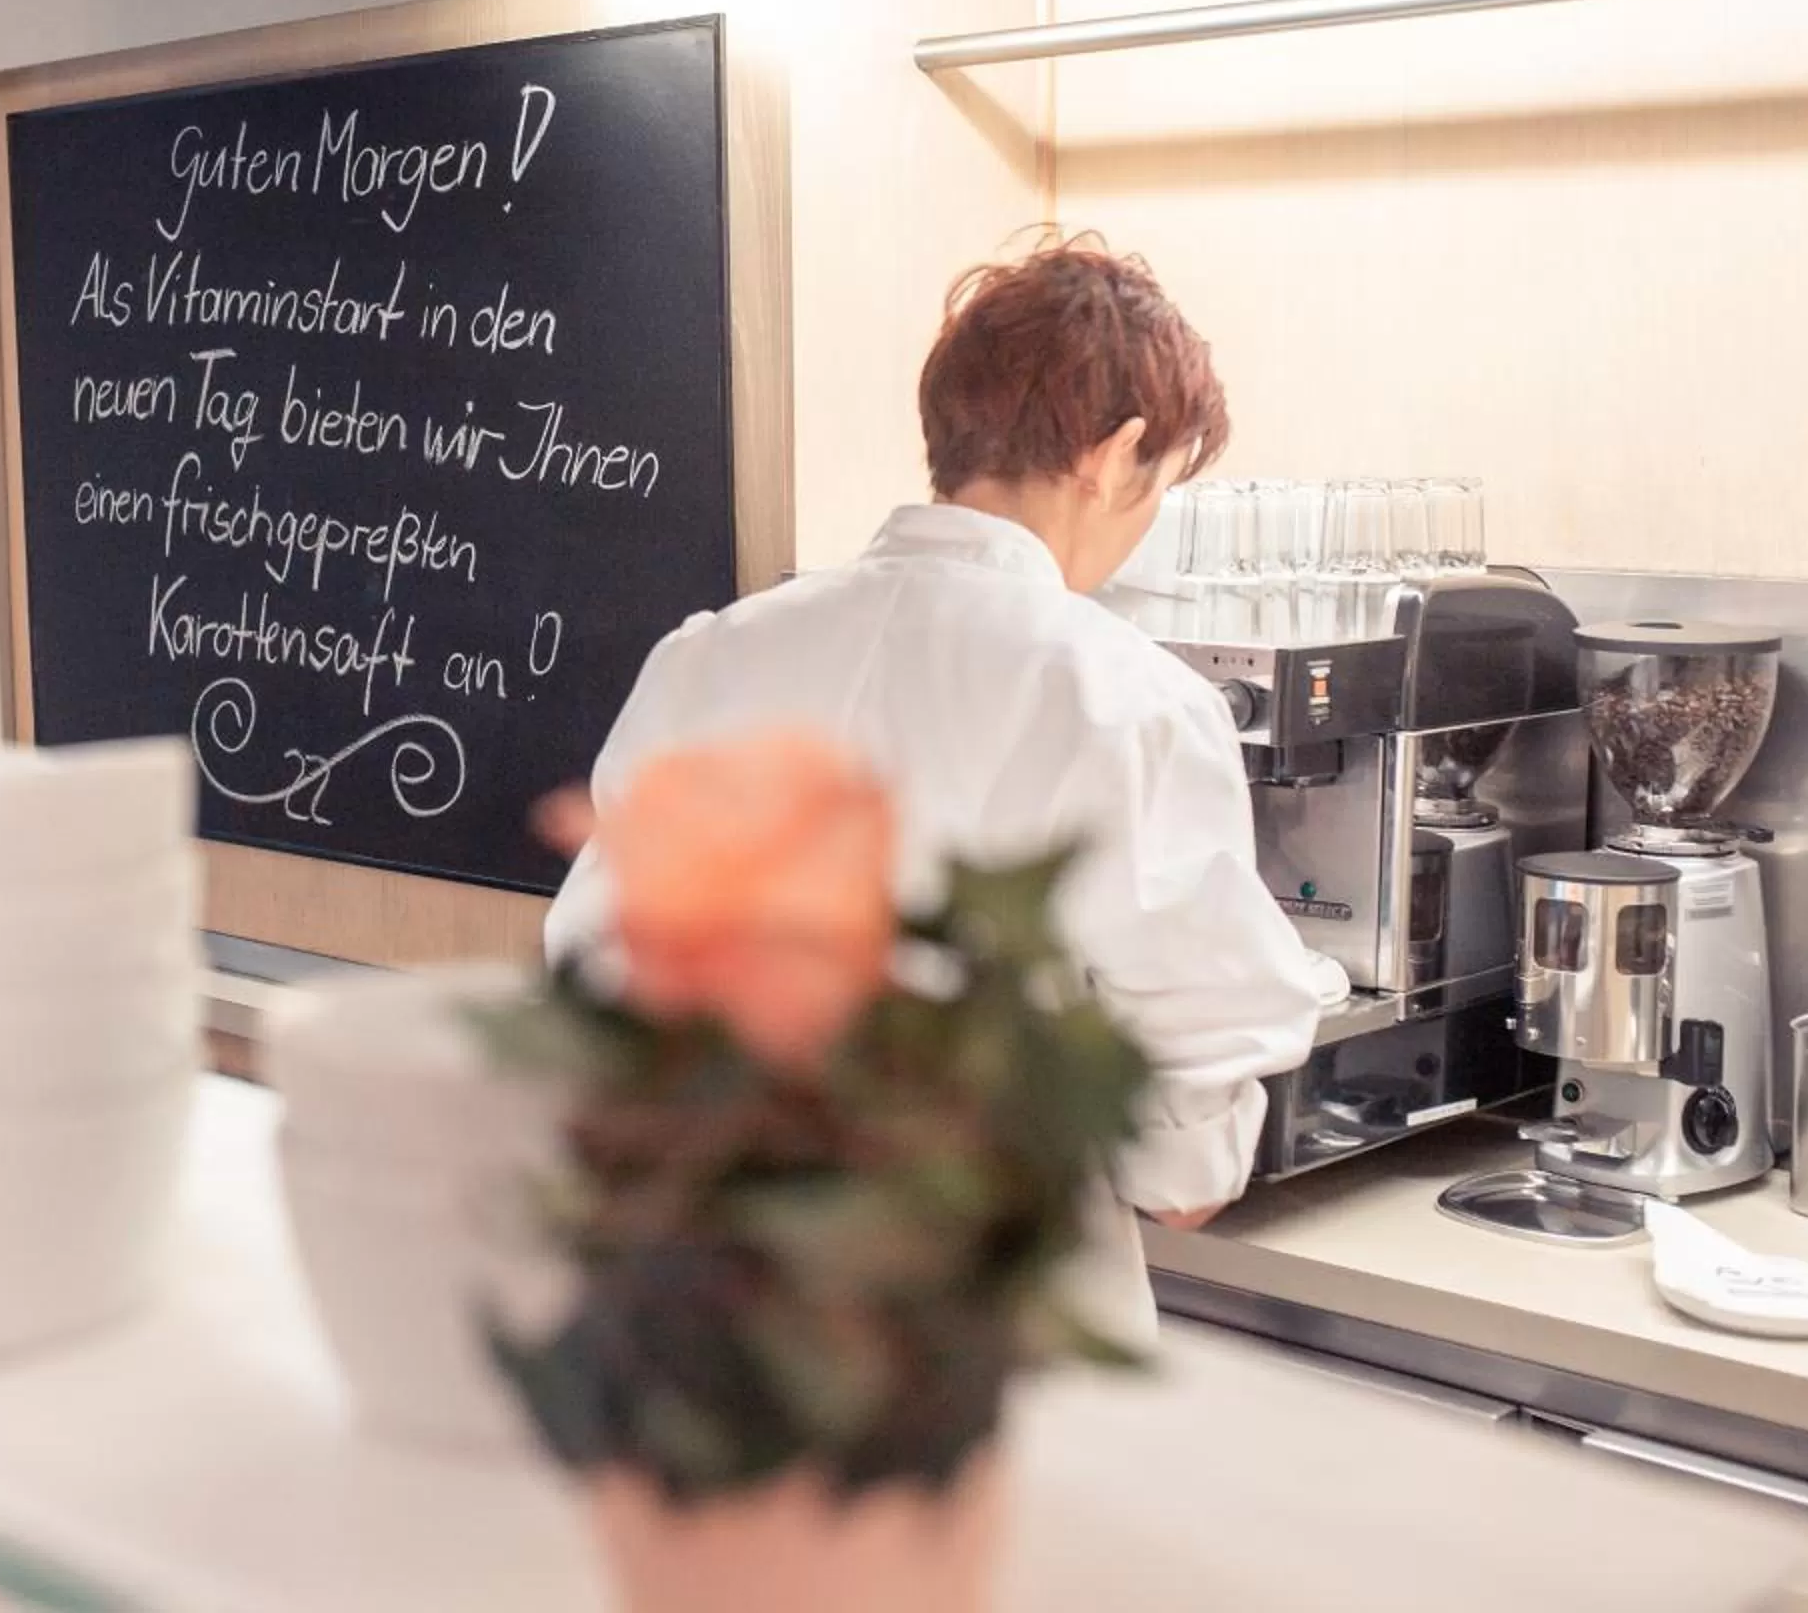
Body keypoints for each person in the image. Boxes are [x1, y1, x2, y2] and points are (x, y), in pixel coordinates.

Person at [544, 234, 1338, 1348]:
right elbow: (1186, 1154)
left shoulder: (713, 652)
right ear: (1114, 456)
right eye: (1159, 482)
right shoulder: (1127, 699)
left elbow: (595, 965)